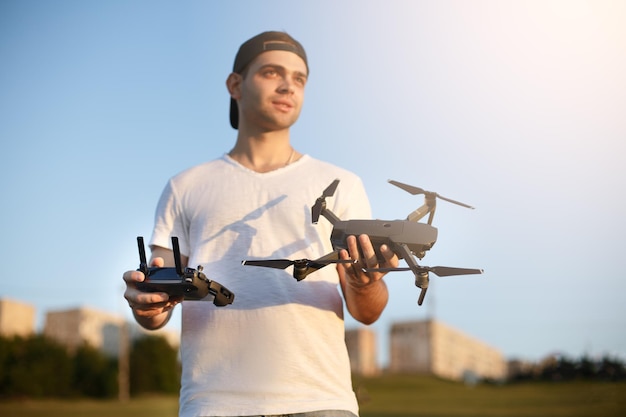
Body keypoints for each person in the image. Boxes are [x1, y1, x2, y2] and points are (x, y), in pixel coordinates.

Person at [123, 31, 398, 417]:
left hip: (320, 402)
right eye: (272, 72)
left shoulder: (343, 185)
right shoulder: (186, 187)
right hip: (214, 404)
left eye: (299, 78)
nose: (288, 85)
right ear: (235, 84)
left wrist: (363, 283)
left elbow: (367, 312)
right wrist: (146, 305)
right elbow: (158, 301)